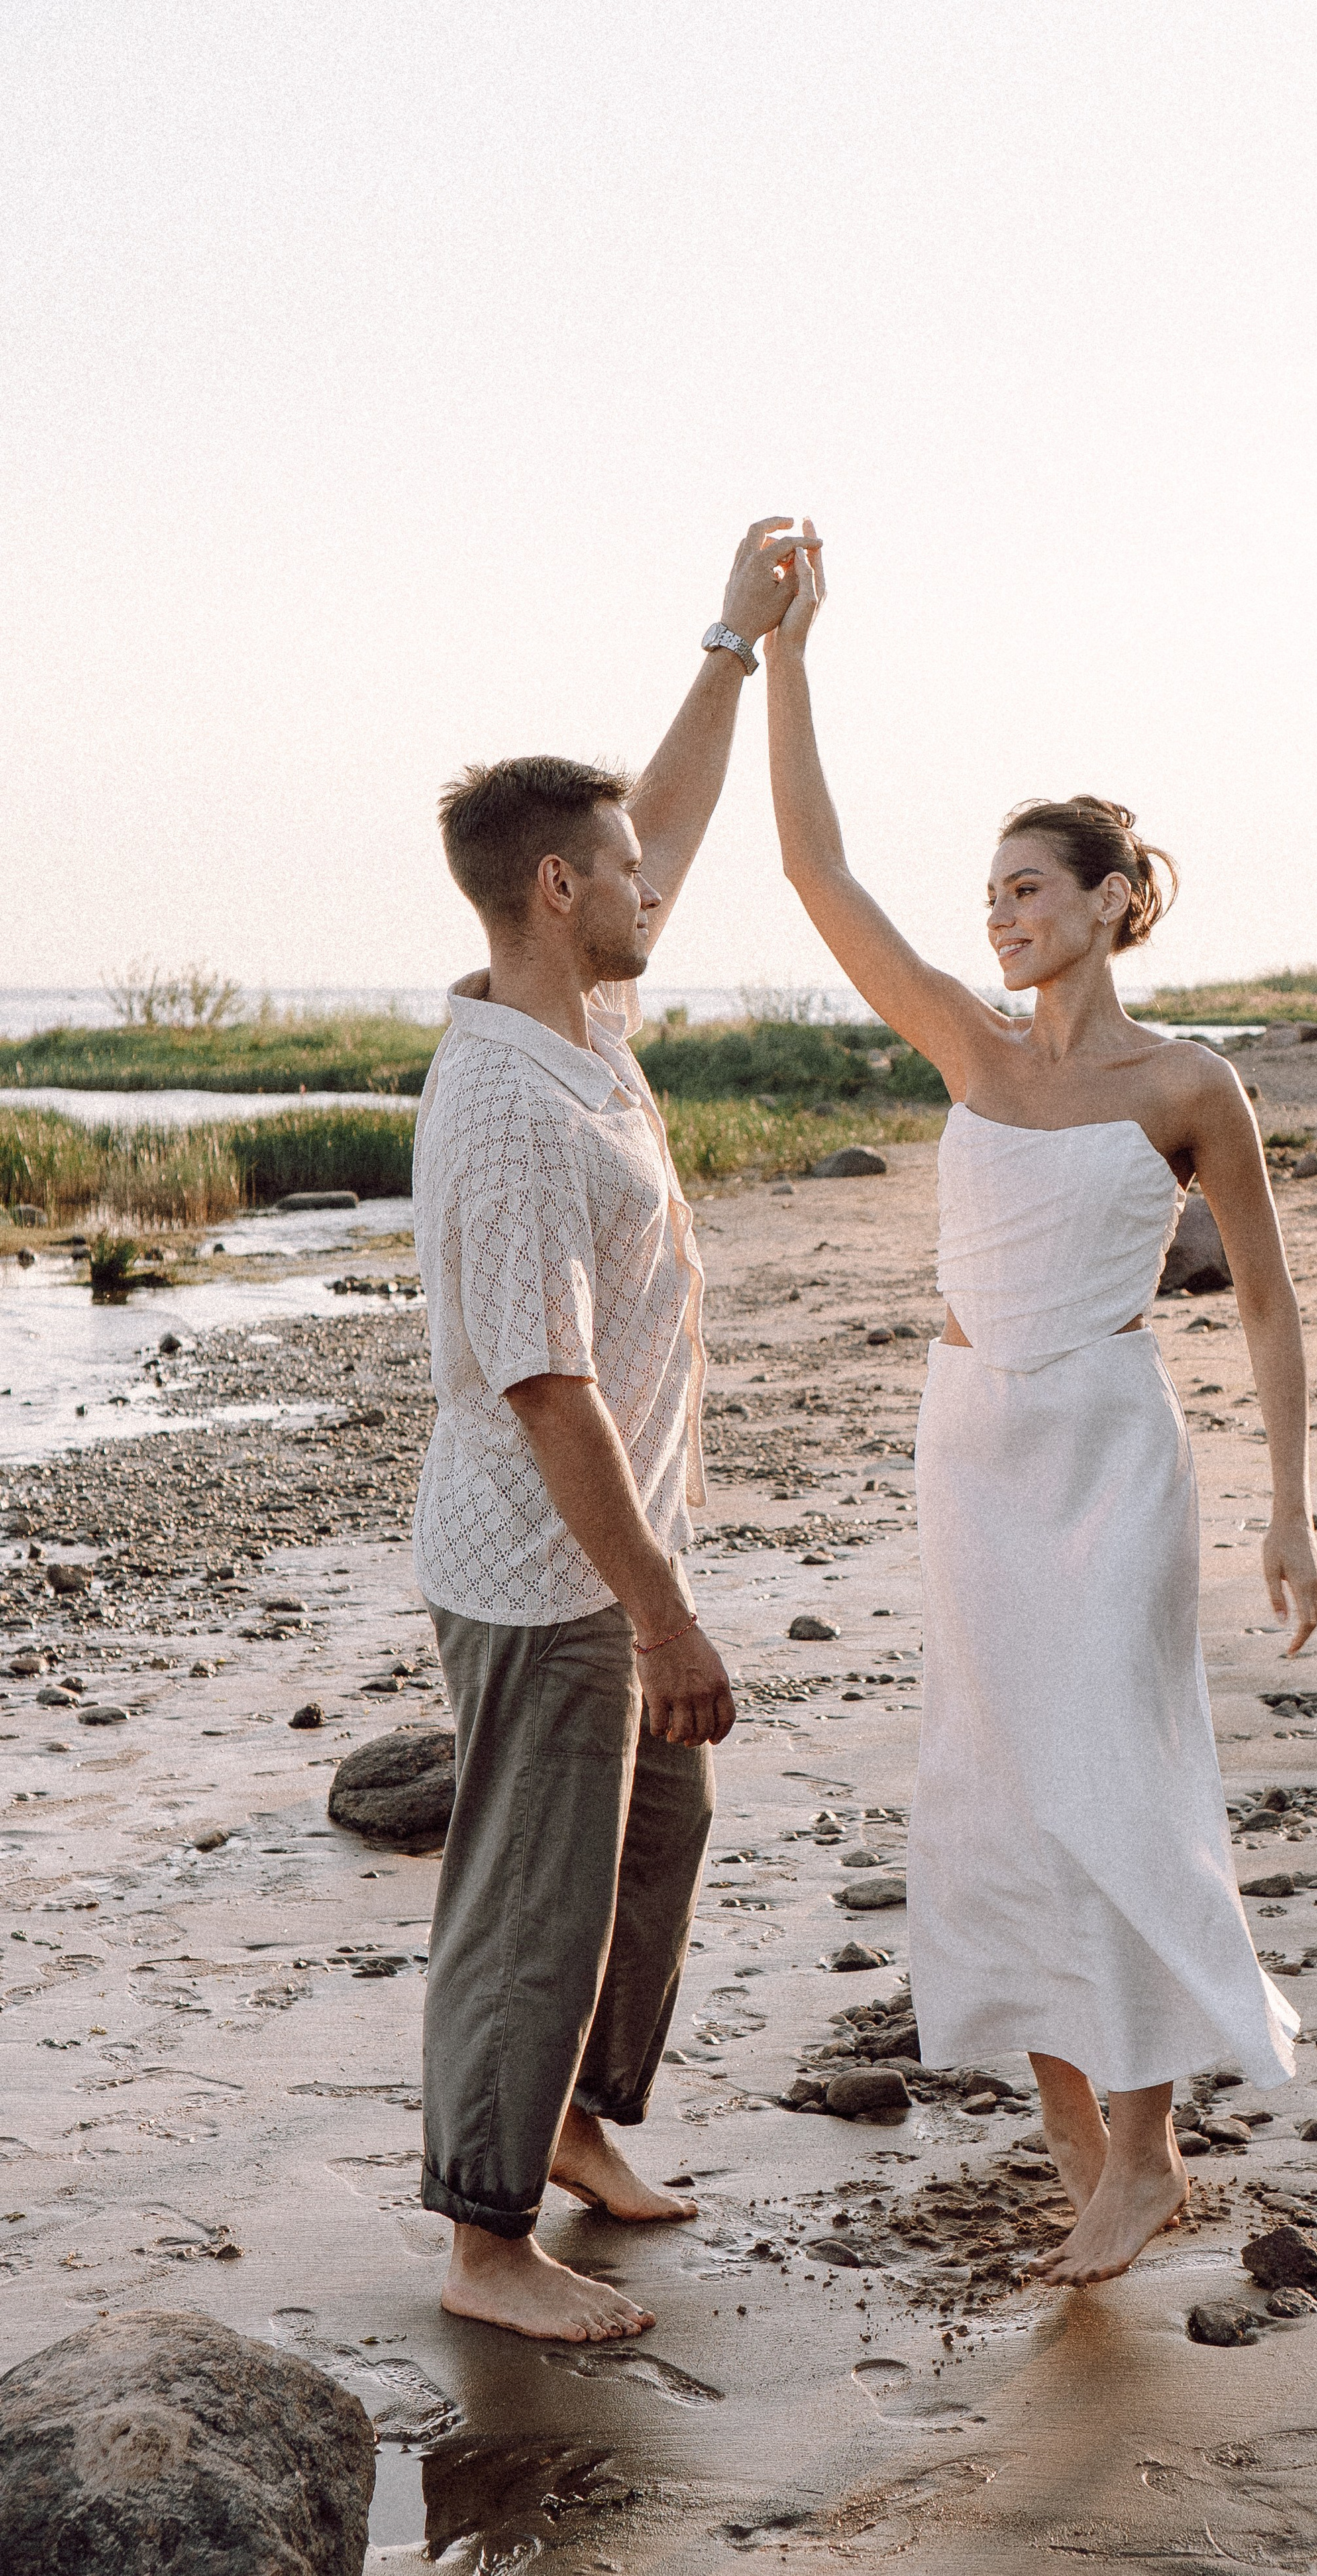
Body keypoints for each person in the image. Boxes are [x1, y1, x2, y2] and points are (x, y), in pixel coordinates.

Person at [763, 526, 1317, 2287]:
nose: (995, 913)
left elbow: (1276, 1303)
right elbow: (815, 869)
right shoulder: (966, 1045)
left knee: (1114, 1786)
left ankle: (1145, 2154)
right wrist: (787, 652)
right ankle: (1091, 2151)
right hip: (971, 1451)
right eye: (990, 888)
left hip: (1105, 1454)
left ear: (1107, 903)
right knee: (1003, 1793)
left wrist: (1289, 1508)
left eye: (1027, 887)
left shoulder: (1187, 1084)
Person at [410, 519, 801, 2342]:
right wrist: (662, 1613)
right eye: (627, 868)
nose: (660, 880)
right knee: (530, 1896)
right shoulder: (505, 1110)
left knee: (657, 1839)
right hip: (547, 1571)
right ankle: (487, 2244)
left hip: (609, 1554)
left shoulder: (583, 1023)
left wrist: (731, 641)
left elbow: (672, 809)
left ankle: (573, 2123)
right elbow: (545, 1393)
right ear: (560, 887)